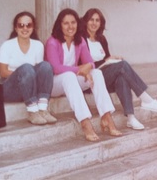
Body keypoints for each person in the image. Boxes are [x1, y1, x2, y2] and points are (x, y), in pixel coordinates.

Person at [81, 8, 157, 130]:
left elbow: (107, 61)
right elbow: (85, 65)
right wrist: (107, 61)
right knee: (122, 66)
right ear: (86, 21)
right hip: (89, 80)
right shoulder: (81, 40)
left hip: (103, 79)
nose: (94, 23)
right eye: (91, 20)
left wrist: (111, 60)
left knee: (122, 76)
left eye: (97, 20)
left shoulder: (101, 39)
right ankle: (146, 99)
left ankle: (131, 118)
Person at [45, 8, 122, 142]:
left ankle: (106, 117)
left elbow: (90, 63)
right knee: (69, 75)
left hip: (71, 81)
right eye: (66, 23)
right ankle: (85, 122)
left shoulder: (79, 40)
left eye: (73, 22)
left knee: (97, 73)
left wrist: (87, 67)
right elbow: (56, 68)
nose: (70, 27)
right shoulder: (52, 42)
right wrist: (79, 69)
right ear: (59, 25)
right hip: (54, 84)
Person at [0, 11, 57, 125]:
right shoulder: (7, 45)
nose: (25, 28)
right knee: (26, 68)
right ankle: (32, 112)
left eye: (28, 25)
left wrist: (29, 77)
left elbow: (41, 72)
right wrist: (24, 75)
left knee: (46, 66)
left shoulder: (38, 45)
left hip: (30, 88)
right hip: (10, 89)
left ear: (33, 27)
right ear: (15, 28)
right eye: (21, 25)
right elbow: (3, 72)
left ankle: (43, 109)